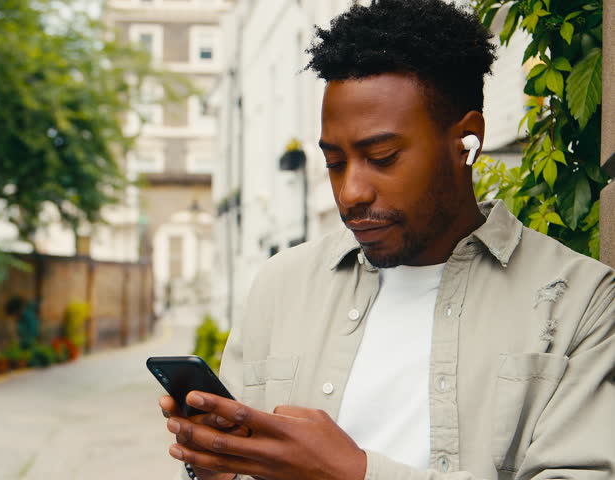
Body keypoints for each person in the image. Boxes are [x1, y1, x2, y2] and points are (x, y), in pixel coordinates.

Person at [158, 0, 615, 478]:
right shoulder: (281, 284)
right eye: (334, 163)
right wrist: (217, 466)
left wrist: (354, 473)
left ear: (468, 141)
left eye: (382, 156)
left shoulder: (577, 300)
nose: (350, 192)